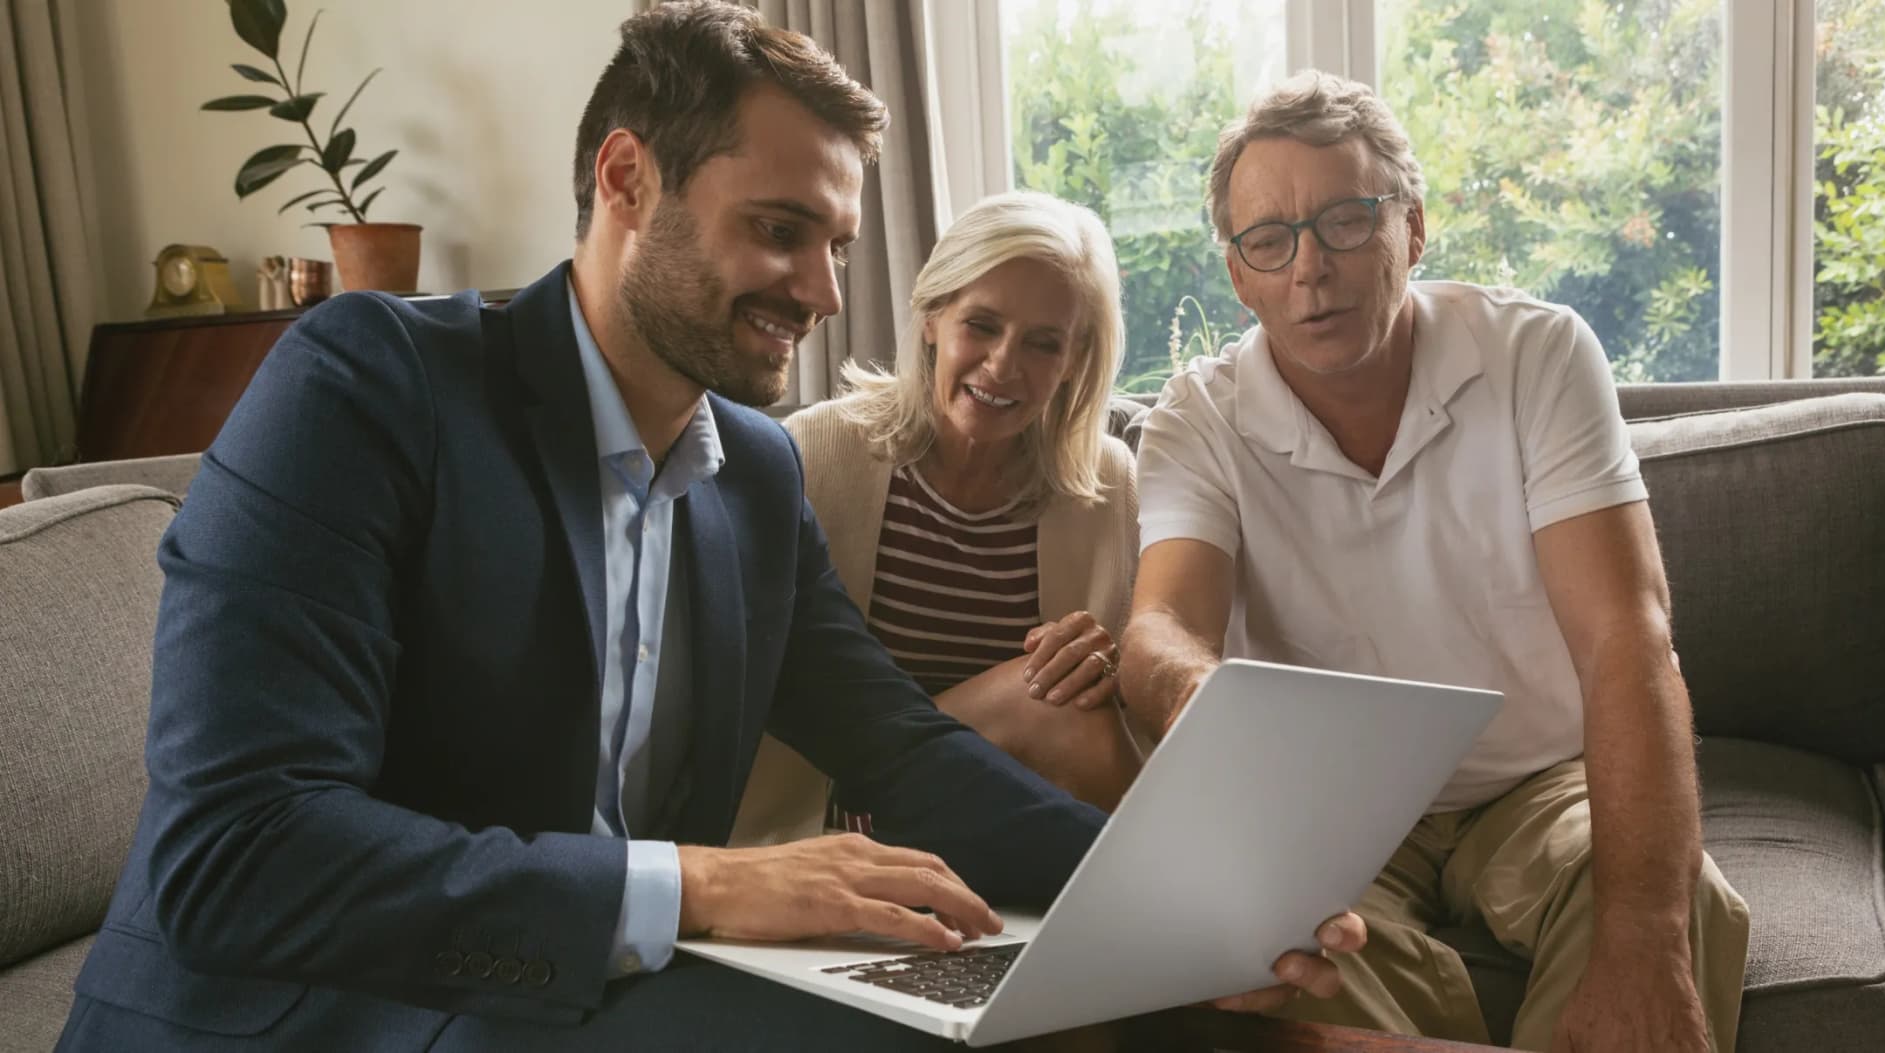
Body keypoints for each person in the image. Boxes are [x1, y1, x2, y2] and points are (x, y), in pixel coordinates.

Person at [56, 7, 1358, 1050]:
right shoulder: (369, 385)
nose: (826, 291)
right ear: (627, 179)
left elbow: (903, 750)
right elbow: (238, 855)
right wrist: (698, 883)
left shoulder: (750, 478)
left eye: (837, 243)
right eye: (781, 231)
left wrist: (1190, 903)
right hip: (327, 1012)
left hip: (589, 991)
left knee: (1053, 1009)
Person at [1120, 70, 1751, 1053]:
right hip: (1334, 797)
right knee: (1244, 961)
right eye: (1270, 241)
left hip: (1544, 781)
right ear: (1238, 273)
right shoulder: (1195, 419)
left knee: (1671, 903)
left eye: (1345, 222)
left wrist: (1642, 942)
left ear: (1414, 229)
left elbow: (1628, 639)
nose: (1310, 270)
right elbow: (1160, 632)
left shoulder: (1538, 355)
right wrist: (1198, 693)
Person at [730, 191, 1141, 847]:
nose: (1004, 365)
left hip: (1010, 822)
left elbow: (1119, 718)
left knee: (1078, 702)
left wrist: (1104, 666)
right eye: (981, 325)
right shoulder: (815, 454)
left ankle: (1175, 899)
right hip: (832, 817)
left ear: (1074, 360)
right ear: (931, 317)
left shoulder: (1108, 483)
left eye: (1043, 343)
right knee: (1054, 706)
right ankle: (1177, 893)